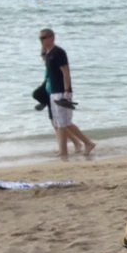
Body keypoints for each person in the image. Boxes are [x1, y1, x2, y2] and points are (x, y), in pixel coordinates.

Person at [39, 28, 95, 160]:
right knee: (59, 123)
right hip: (53, 92)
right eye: (40, 38)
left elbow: (66, 72)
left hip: (61, 91)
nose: (41, 40)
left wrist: (66, 91)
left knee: (64, 123)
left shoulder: (59, 52)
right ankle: (65, 150)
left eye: (44, 37)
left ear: (52, 37)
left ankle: (86, 144)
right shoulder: (48, 53)